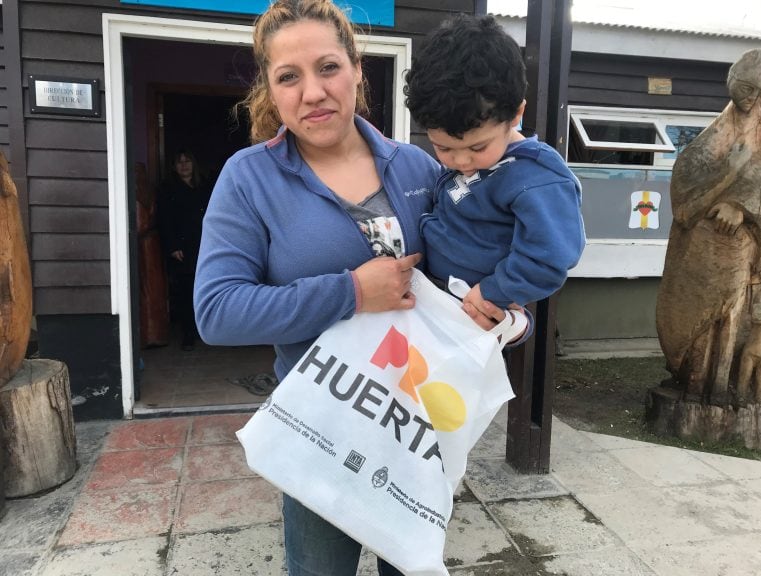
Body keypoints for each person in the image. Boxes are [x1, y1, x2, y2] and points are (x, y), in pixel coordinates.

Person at [193, 2, 514, 574]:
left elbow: (479, 264)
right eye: (289, 76)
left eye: (328, 67)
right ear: (269, 88)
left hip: (417, 432)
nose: (312, 92)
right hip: (321, 432)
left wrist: (506, 316)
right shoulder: (249, 178)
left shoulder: (418, 166)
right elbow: (217, 312)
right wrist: (351, 292)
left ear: (358, 68)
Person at [404, 14, 585, 318]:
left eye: (477, 147)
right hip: (428, 296)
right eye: (443, 147)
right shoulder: (464, 158)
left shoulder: (538, 176)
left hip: (471, 308)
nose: (460, 162)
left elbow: (552, 255)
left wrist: (494, 291)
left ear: (516, 115)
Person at [657, 48, 761, 405]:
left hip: (754, 264)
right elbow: (686, 186)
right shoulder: (729, 127)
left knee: (738, 310)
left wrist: (742, 207)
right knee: (710, 306)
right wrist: (729, 173)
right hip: (713, 255)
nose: (758, 104)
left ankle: (725, 387)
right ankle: (699, 380)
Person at [158, 149, 210, 351]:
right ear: (174, 166)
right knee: (186, 291)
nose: (184, 165)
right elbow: (164, 219)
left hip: (205, 243)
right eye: (179, 162)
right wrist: (173, 246)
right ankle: (188, 332)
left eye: (187, 161)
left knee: (205, 286)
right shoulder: (167, 189)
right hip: (182, 247)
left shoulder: (204, 185)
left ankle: (203, 329)